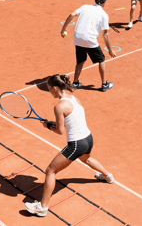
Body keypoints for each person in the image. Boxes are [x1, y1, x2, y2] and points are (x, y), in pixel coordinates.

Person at [25, 74, 114, 217]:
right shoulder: (74, 98)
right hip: (88, 138)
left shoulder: (59, 106)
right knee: (86, 159)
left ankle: (42, 207)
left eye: (49, 89)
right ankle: (108, 176)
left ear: (55, 88)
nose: (49, 92)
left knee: (50, 171)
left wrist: (47, 126)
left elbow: (60, 131)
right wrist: (49, 123)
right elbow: (71, 122)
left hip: (76, 144)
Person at [61, 0, 116, 92]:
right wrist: (110, 50)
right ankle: (104, 85)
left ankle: (75, 83)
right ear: (104, 3)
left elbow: (72, 14)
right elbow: (105, 35)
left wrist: (63, 29)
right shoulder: (104, 14)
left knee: (80, 61)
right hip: (89, 39)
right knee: (101, 60)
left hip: (77, 38)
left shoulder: (85, 7)